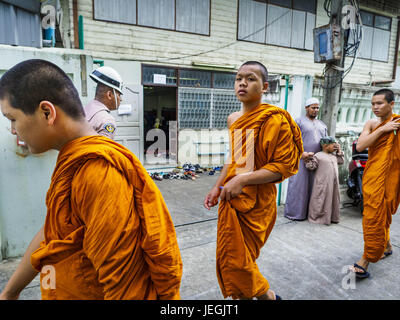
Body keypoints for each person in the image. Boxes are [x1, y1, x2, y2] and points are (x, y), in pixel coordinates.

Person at [0, 59, 182, 300]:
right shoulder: (72, 160)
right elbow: (54, 229)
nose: (13, 130)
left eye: (12, 119)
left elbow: (122, 286)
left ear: (47, 112)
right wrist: (11, 290)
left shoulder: (98, 173)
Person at [203, 61, 303, 300]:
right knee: (235, 258)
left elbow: (283, 168)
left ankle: (265, 296)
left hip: (258, 201)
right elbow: (236, 159)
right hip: (233, 197)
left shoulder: (274, 119)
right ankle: (266, 297)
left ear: (264, 86)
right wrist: (217, 186)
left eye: (251, 78)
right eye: (239, 78)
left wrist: (244, 179)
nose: (243, 83)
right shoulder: (234, 119)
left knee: (241, 261)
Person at [349, 88, 400, 279]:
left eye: (379, 103)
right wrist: (384, 130)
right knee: (373, 214)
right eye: (372, 103)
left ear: (391, 104)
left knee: (384, 212)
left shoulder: (398, 123)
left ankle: (385, 245)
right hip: (374, 175)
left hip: (392, 178)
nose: (375, 107)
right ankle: (367, 257)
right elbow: (361, 145)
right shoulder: (372, 123)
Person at [284, 97, 328, 221]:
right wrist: (301, 154)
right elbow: (289, 141)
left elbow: (325, 142)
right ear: (306, 108)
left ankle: (311, 213)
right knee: (298, 187)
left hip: (316, 160)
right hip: (301, 159)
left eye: (317, 108)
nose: (315, 110)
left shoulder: (322, 124)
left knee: (314, 187)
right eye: (313, 107)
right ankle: (295, 213)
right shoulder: (298, 122)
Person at [305, 136, 344, 225]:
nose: (335, 146)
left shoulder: (334, 156)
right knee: (320, 200)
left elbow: (341, 161)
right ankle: (317, 218)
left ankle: (332, 217)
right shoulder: (318, 155)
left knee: (333, 199)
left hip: (333, 184)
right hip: (322, 183)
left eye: (336, 145)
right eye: (333, 145)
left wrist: (339, 151)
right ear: (325, 146)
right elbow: (311, 166)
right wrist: (308, 159)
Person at [84, 66, 123, 140]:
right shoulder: (106, 120)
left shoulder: (84, 110)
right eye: (119, 95)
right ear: (109, 95)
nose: (120, 99)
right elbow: (102, 150)